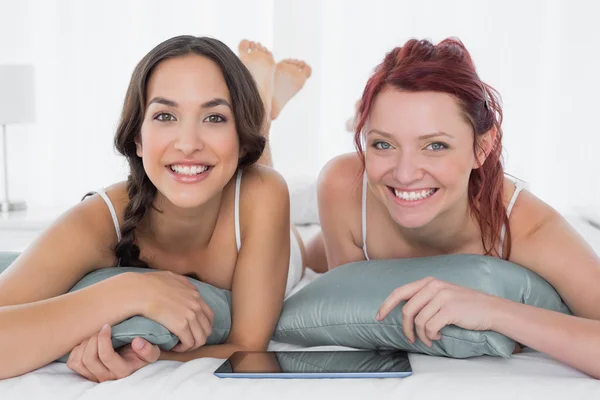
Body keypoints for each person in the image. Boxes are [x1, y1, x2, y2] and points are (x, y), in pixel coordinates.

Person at [0, 35, 312, 382]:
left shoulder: (265, 193)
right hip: (227, 179)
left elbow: (248, 345)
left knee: (264, 179)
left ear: (239, 138)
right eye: (165, 115)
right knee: (219, 165)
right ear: (137, 137)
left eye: (214, 117)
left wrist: (156, 357)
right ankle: (258, 106)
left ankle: (263, 115)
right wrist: (128, 291)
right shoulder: (99, 219)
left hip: (276, 233)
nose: (188, 143)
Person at [310, 38, 600, 378]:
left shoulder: (526, 226)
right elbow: (351, 318)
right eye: (383, 143)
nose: (405, 174)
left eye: (435, 145)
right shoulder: (343, 185)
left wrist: (494, 311)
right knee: (294, 249)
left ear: (482, 147)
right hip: (324, 238)